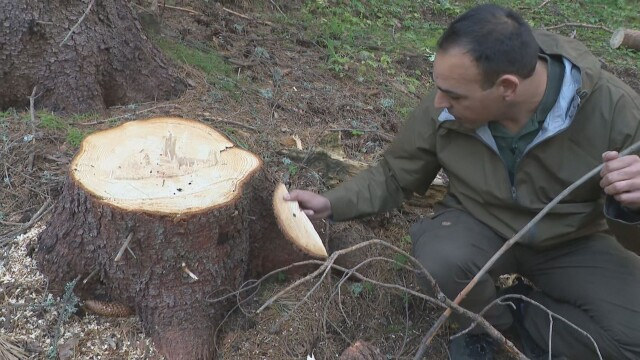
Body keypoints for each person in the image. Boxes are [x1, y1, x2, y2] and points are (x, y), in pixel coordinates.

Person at [285, 4, 640, 360]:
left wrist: (634, 203)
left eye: (454, 96)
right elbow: (395, 173)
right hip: (477, 224)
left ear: (507, 88)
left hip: (574, 239)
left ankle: (526, 314)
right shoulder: (449, 102)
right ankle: (493, 325)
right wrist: (332, 203)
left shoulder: (612, 108)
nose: (439, 102)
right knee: (442, 260)